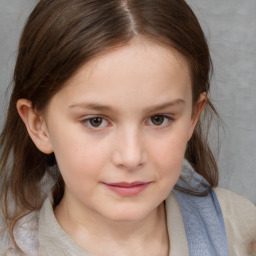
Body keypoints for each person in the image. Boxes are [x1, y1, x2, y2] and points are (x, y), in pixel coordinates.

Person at [0, 0, 255, 255]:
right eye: (95, 121)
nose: (131, 157)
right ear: (38, 125)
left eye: (158, 119)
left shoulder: (238, 231)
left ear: (192, 117)